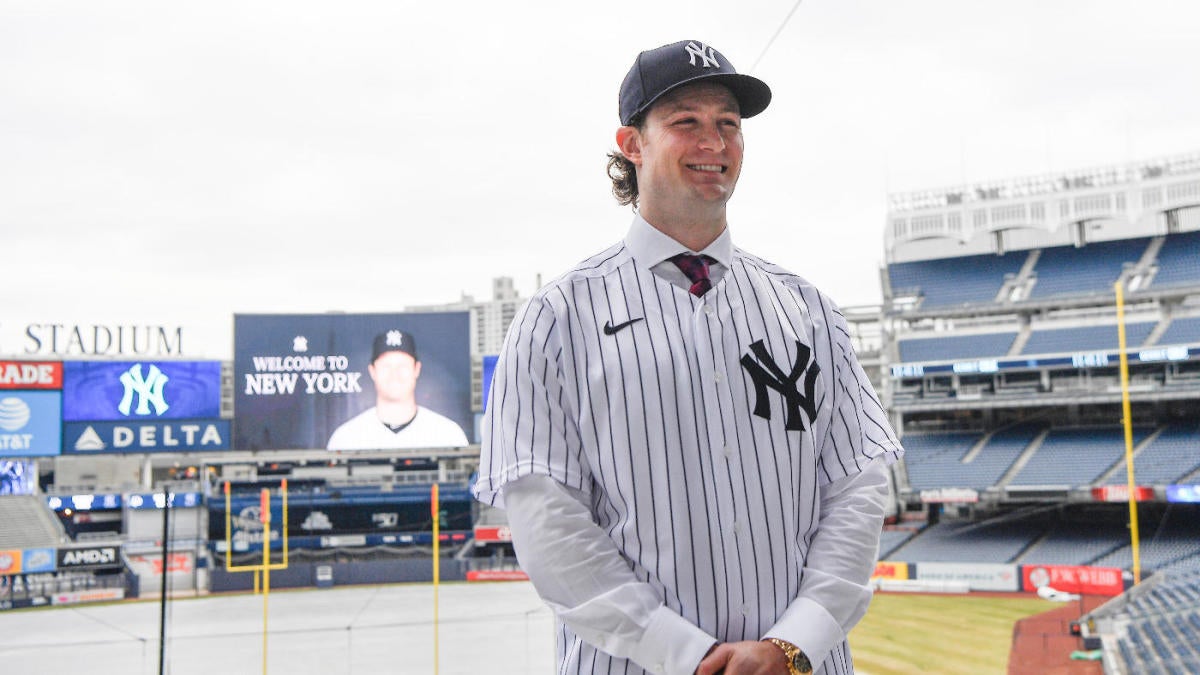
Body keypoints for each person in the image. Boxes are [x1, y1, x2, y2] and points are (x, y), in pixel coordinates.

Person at [474, 39, 903, 675]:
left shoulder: (808, 309)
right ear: (632, 144)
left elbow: (859, 489)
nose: (715, 143)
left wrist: (791, 645)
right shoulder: (556, 317)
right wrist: (685, 655)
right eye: (687, 123)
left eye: (728, 123)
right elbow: (545, 517)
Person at [326, 329, 469, 450]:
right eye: (386, 366)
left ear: (416, 369)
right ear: (372, 371)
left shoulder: (448, 433)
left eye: (403, 366)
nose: (394, 374)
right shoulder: (345, 437)